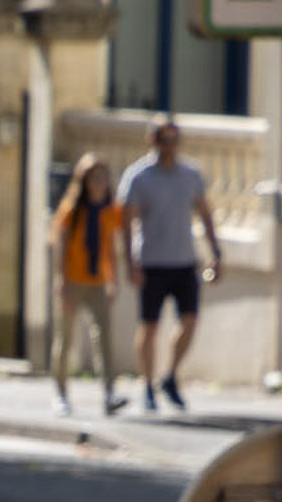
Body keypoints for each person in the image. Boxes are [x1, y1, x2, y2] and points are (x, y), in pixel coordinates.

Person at [118, 115, 222, 414]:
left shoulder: (190, 175)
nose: (170, 146)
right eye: (165, 139)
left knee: (189, 320)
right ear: (153, 141)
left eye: (175, 139)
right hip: (152, 261)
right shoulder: (139, 177)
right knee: (149, 326)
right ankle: (148, 384)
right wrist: (130, 263)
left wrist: (215, 251)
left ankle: (170, 375)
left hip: (184, 260)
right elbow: (126, 224)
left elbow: (205, 214)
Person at [48, 156, 126, 418]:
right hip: (73, 280)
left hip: (97, 281)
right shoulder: (72, 209)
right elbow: (59, 245)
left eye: (103, 177)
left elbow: (110, 247)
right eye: (94, 177)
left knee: (104, 338)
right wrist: (61, 282)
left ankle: (109, 392)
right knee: (65, 339)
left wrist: (113, 278)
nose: (100, 182)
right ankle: (60, 393)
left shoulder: (109, 210)